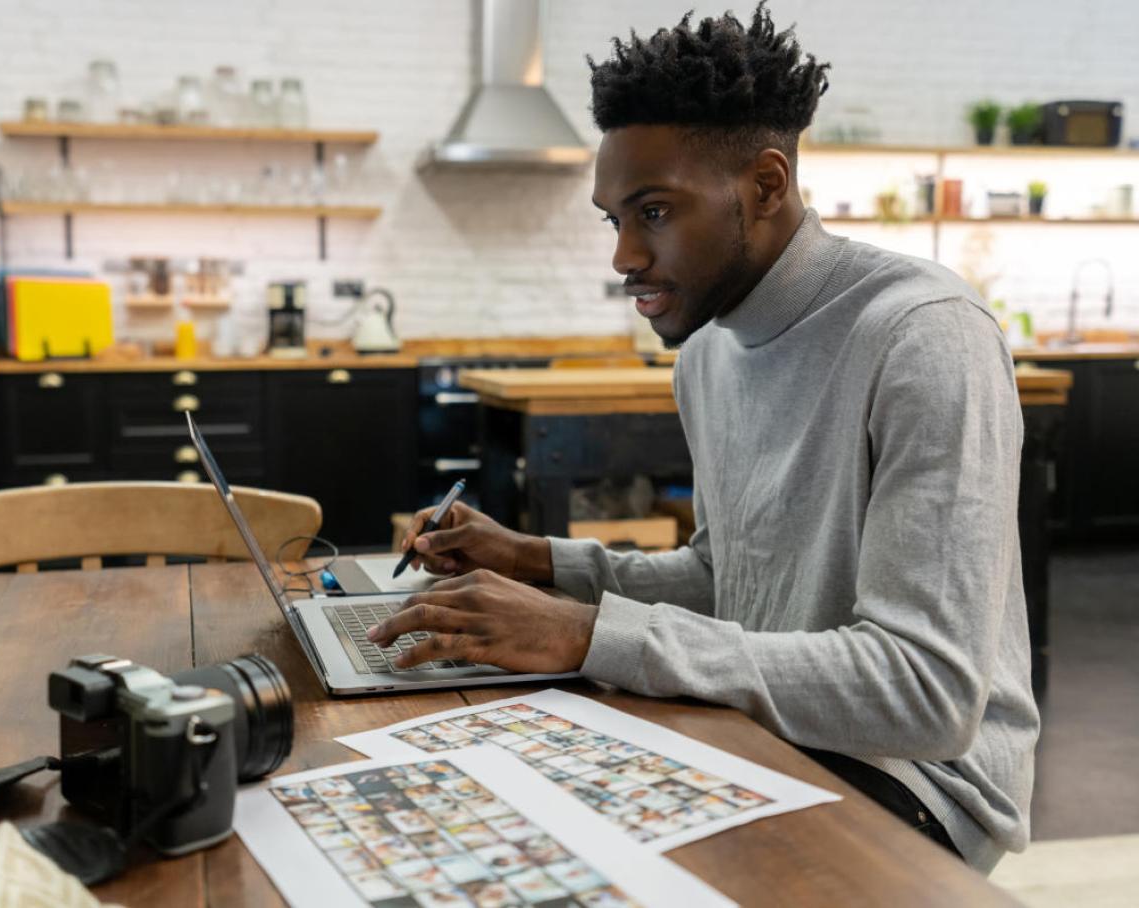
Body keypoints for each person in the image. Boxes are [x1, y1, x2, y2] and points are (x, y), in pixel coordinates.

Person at [367, 1, 1037, 872]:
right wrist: (536, 562)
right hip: (771, 732)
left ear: (764, 185)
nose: (623, 258)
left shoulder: (925, 335)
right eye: (614, 219)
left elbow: (925, 693)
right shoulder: (708, 356)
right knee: (469, 822)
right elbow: (730, 583)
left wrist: (583, 632)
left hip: (918, 779)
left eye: (654, 212)